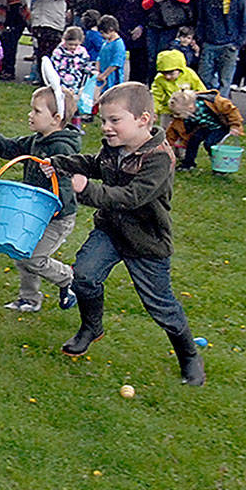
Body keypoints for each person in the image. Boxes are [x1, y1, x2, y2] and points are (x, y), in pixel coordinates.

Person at [44, 82, 205, 385]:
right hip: (110, 231)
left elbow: (131, 197)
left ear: (143, 119)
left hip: (146, 240)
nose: (106, 127)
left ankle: (189, 356)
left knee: (161, 305)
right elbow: (95, 164)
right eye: (104, 120)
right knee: (84, 277)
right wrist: (61, 164)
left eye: (114, 120)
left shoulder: (159, 158)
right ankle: (91, 328)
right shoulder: (115, 147)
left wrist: (86, 189)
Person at [0, 84, 82, 311]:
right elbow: (15, 147)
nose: (30, 115)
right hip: (34, 212)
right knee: (21, 252)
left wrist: (58, 172)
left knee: (33, 257)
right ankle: (29, 299)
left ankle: (68, 278)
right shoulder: (37, 140)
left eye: (37, 111)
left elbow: (68, 180)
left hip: (57, 217)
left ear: (56, 118)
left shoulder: (61, 146)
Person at [166, 88, 245, 170]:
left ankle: (220, 163)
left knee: (209, 143)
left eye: (179, 113)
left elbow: (231, 111)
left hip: (220, 127)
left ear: (190, 107)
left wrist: (235, 126)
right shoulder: (184, 115)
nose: (177, 116)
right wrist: (166, 144)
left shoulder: (214, 102)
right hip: (205, 127)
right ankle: (188, 163)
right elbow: (173, 131)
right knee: (193, 140)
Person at [31, 0, 74, 81]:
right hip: (40, 19)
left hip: (55, 19)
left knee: (53, 51)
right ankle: (41, 79)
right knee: (40, 52)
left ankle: (53, 79)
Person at [150, 48, 207, 126]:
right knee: (166, 131)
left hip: (187, 110)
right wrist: (154, 111)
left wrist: (199, 106)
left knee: (188, 131)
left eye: (171, 73)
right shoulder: (159, 79)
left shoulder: (190, 74)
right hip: (168, 110)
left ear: (180, 68)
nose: (167, 77)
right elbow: (156, 96)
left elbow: (201, 91)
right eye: (164, 73)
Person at [96, 15, 127, 89]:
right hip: (102, 79)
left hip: (113, 79)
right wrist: (97, 71)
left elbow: (116, 63)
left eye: (103, 33)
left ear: (111, 29)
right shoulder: (105, 43)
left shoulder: (118, 44)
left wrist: (104, 75)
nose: (101, 35)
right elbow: (99, 57)